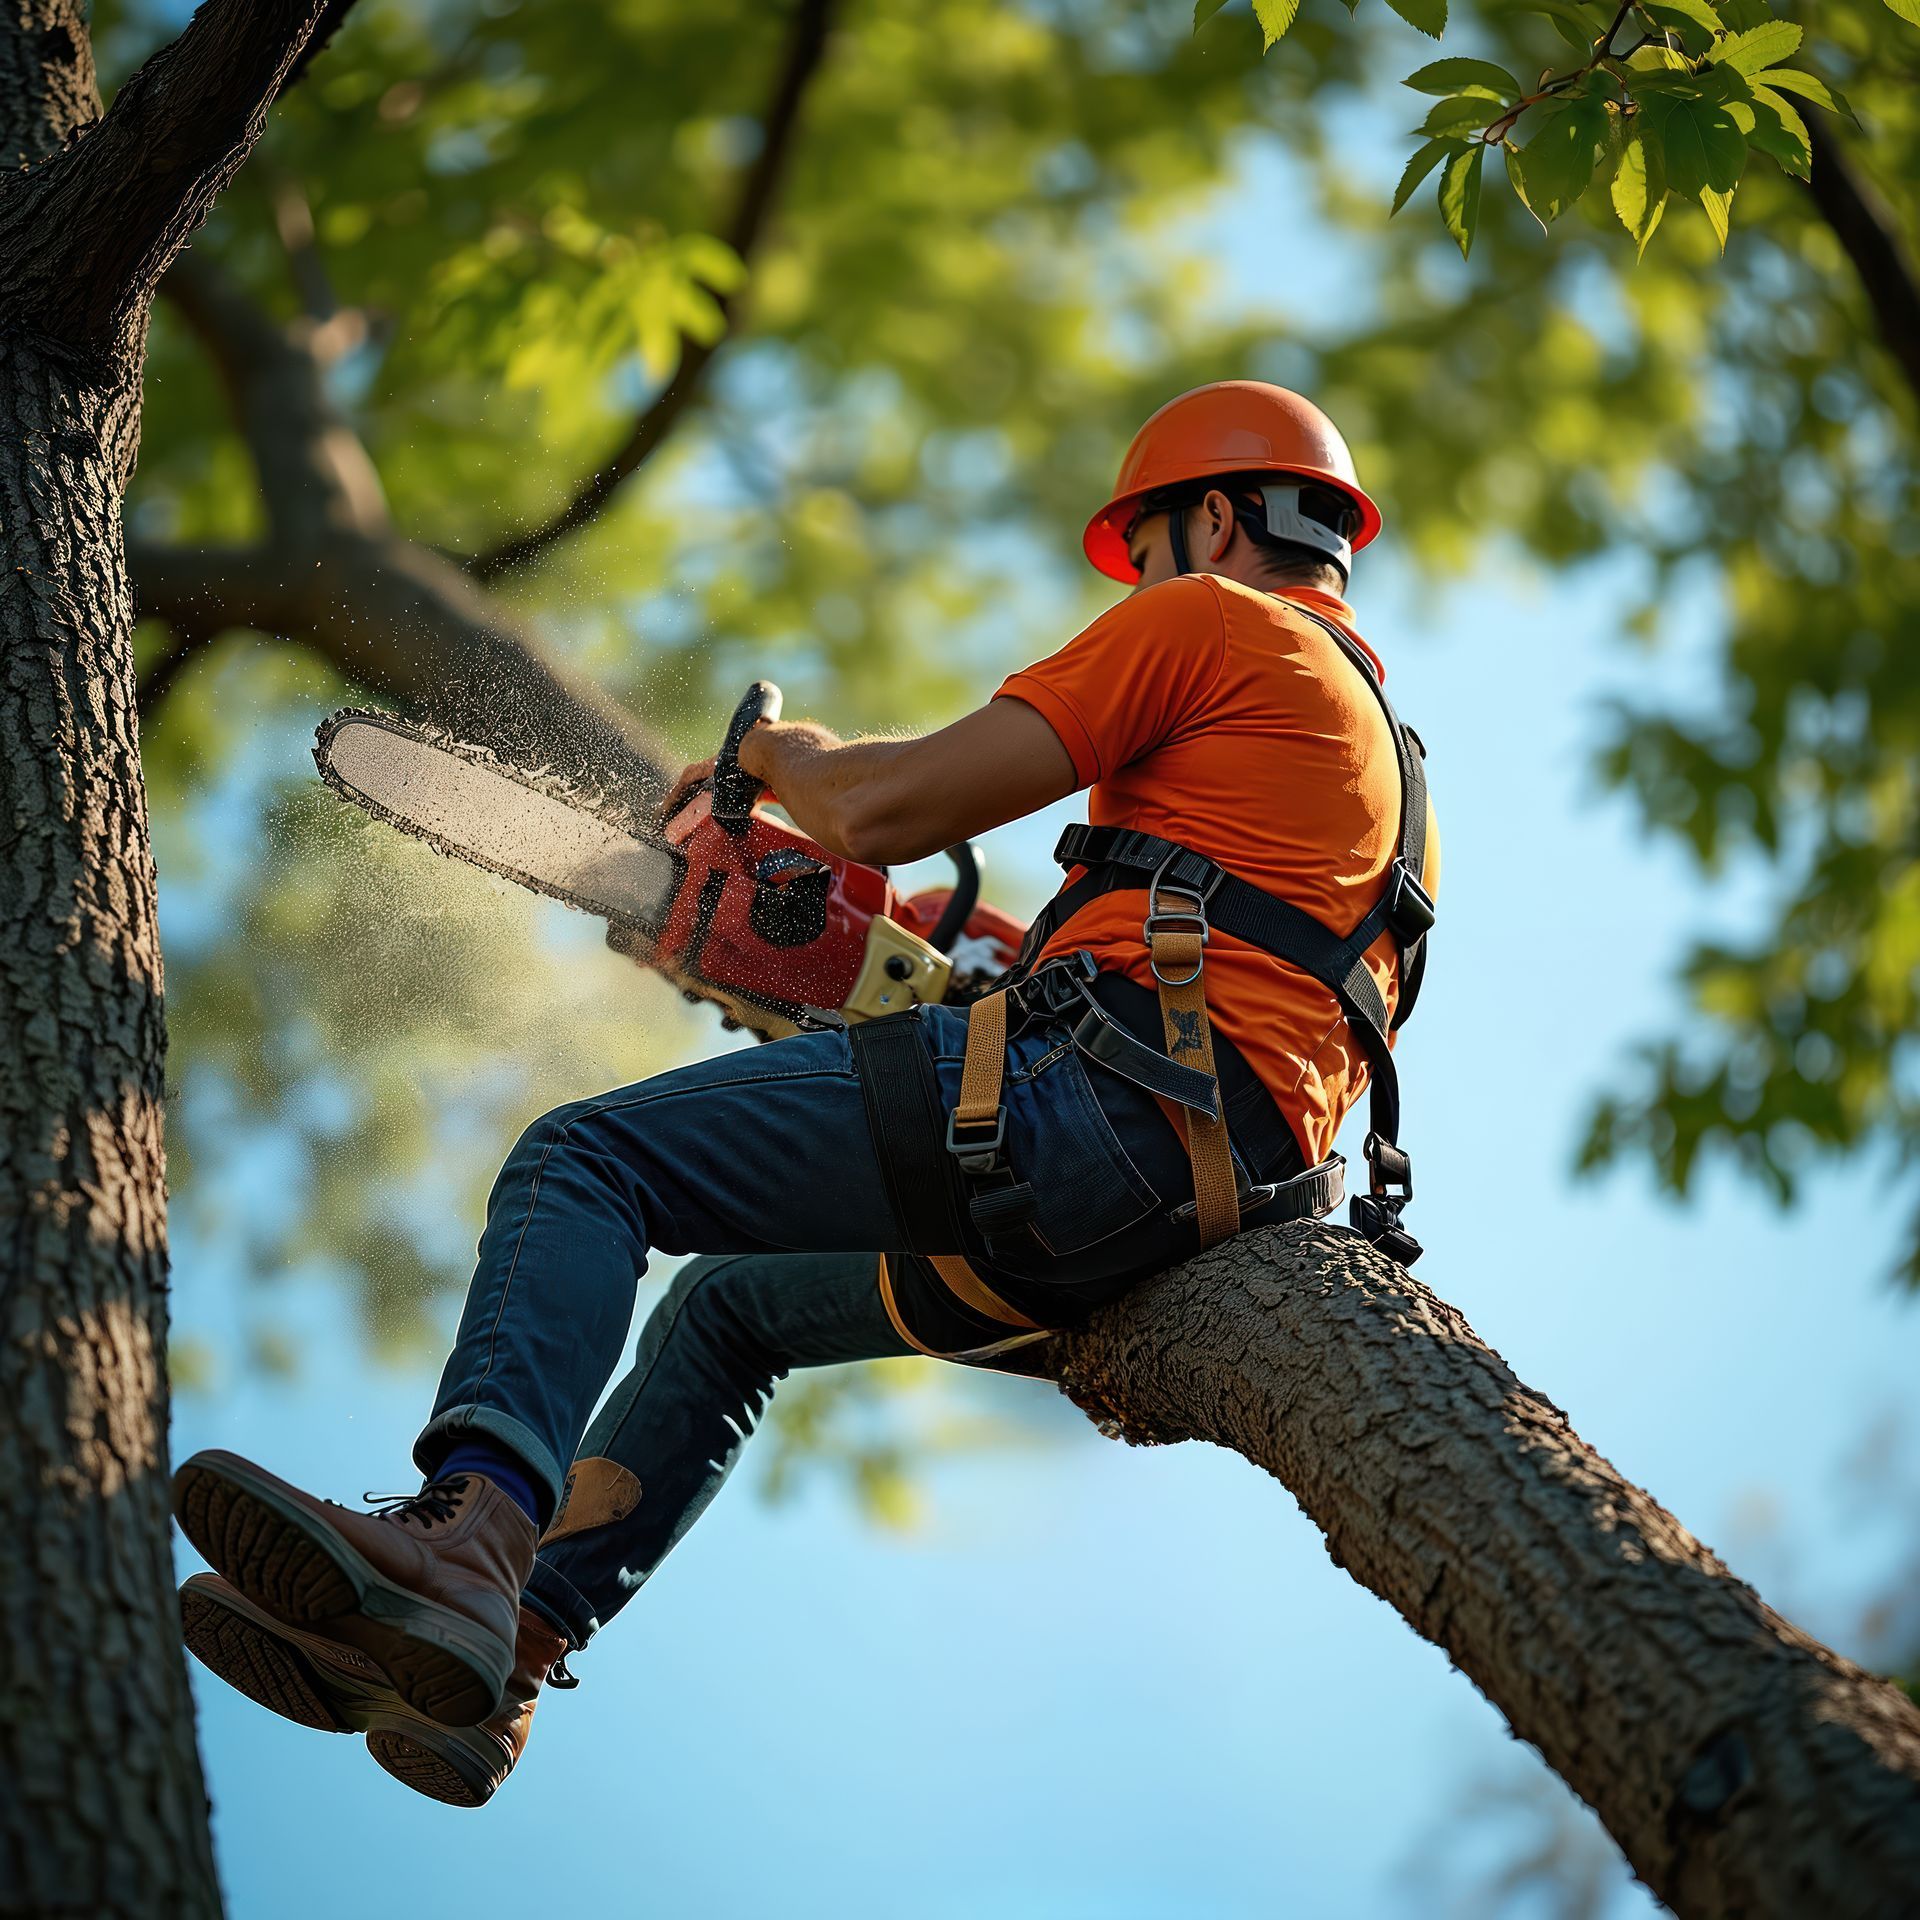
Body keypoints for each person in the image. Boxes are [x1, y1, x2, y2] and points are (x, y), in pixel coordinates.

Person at [174, 379, 1439, 1807]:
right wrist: (951, 966)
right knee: (728, 1309)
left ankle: (468, 1537)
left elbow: (888, 809)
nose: (1138, 580)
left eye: (1144, 548)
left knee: (583, 1166)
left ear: (1212, 517)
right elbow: (1224, 968)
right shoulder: (1384, 767)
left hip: (1088, 1122)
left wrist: (783, 757)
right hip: (1187, 1195)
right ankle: (500, 1651)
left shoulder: (1213, 617)